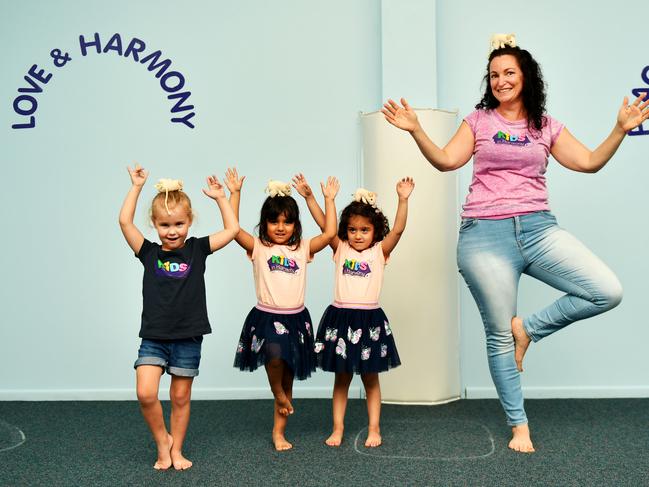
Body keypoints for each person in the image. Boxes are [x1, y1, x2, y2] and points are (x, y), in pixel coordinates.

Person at [382, 36, 649, 453]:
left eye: (509, 73)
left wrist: (619, 129)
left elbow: (590, 162)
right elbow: (447, 161)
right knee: (498, 335)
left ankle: (530, 329)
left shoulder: (546, 125)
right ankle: (519, 425)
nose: (501, 81)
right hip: (483, 234)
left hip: (539, 228)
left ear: (526, 77)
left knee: (606, 290)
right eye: (494, 75)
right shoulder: (478, 121)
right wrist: (417, 129)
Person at [118, 165, 239, 470]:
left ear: (189, 222)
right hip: (155, 338)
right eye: (165, 225)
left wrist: (221, 197)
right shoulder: (148, 252)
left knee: (180, 397)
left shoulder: (198, 249)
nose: (172, 231)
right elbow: (124, 221)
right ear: (155, 225)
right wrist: (136, 187)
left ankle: (177, 450)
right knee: (145, 393)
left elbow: (233, 230)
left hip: (187, 337)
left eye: (179, 224)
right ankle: (163, 441)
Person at [293, 173, 415, 448]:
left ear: (375, 231)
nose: (358, 235)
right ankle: (338, 429)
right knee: (342, 379)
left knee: (371, 378)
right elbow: (325, 225)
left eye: (364, 230)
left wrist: (403, 199)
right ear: (345, 231)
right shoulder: (341, 248)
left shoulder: (380, 251)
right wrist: (313, 197)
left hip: (369, 319)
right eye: (352, 230)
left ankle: (374, 428)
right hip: (341, 319)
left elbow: (398, 230)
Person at [227, 167, 339, 451]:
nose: (280, 227)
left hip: (296, 319)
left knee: (288, 375)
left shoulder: (303, 248)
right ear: (264, 223)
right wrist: (234, 193)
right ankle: (277, 393)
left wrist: (319, 197)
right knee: (274, 359)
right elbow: (232, 229)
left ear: (295, 225)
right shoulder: (259, 248)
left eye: (287, 222)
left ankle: (279, 433)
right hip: (267, 316)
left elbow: (329, 233)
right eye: (273, 221)